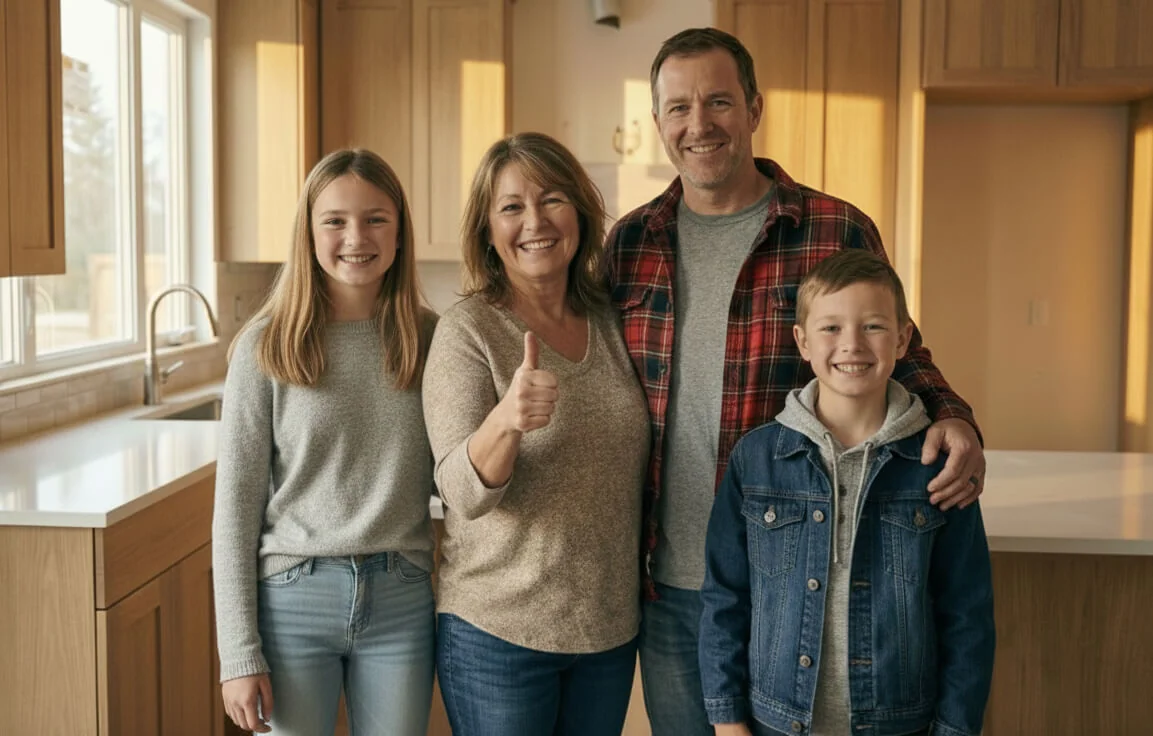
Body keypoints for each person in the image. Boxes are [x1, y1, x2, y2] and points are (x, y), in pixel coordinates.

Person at [604, 27, 988, 735]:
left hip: (796, 580)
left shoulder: (833, 228)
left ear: (754, 107)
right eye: (679, 107)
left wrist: (953, 416)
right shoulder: (629, 243)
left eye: (719, 101)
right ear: (657, 121)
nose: (699, 123)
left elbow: (898, 347)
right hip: (670, 583)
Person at [699, 249, 995, 736]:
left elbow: (967, 614)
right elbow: (725, 598)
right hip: (775, 721)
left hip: (901, 725)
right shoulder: (756, 459)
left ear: (902, 339)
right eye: (831, 328)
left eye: (873, 326)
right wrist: (728, 722)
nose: (851, 344)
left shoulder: (938, 466)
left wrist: (954, 728)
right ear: (802, 341)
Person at [422, 132, 650, 735]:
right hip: (498, 633)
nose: (535, 222)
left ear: (579, 211)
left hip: (605, 631)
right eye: (511, 207)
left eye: (551, 199)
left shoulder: (612, 319)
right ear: (487, 231)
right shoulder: (468, 330)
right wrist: (507, 419)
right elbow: (461, 493)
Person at [212, 148, 438, 735]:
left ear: (399, 233)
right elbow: (234, 510)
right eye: (334, 220)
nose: (356, 237)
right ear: (308, 233)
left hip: (401, 596)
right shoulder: (265, 346)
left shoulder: (432, 339)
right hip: (292, 600)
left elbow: (458, 471)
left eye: (375, 219)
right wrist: (238, 653)